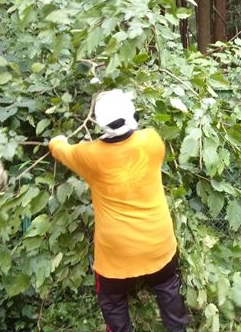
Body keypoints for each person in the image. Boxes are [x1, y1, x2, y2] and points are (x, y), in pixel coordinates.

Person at [48, 89, 189, 332]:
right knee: (168, 288)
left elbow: (59, 149)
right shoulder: (152, 140)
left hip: (116, 254)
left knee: (111, 301)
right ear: (130, 113)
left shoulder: (88, 156)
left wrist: (57, 139)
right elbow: (135, 136)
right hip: (159, 243)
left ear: (98, 121)